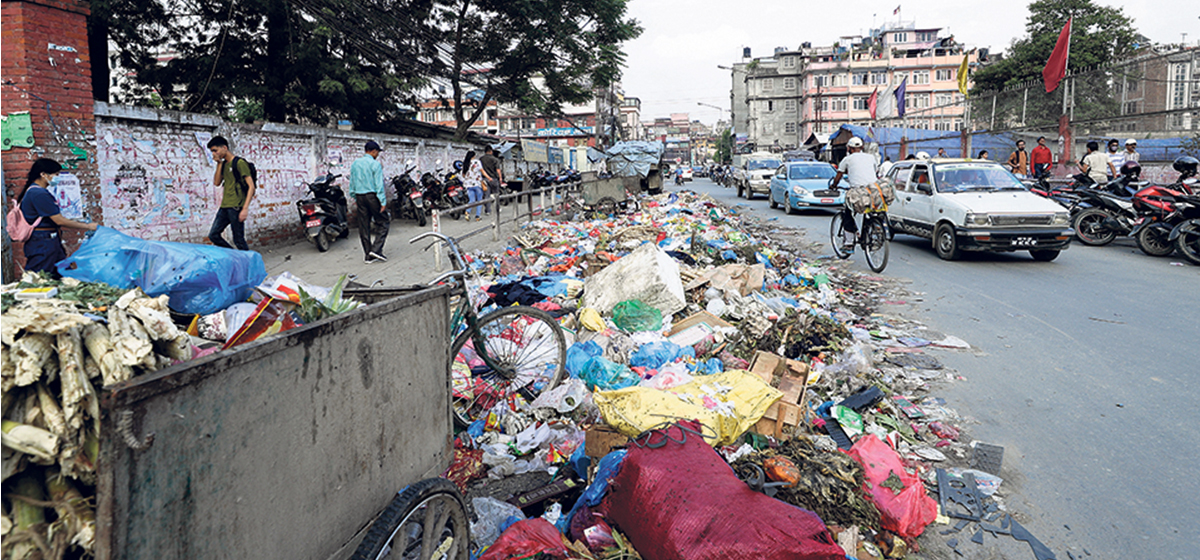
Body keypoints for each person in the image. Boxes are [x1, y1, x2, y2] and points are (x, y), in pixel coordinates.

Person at [17, 158, 98, 275]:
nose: (58, 177)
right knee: (39, 278)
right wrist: (88, 226)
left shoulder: (35, 191)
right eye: (56, 174)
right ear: (43, 174)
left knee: (62, 274)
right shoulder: (38, 194)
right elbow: (59, 220)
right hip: (43, 242)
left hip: (47, 240)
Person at [206, 136, 256, 250]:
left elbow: (251, 186)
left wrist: (245, 208)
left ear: (224, 148)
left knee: (238, 239)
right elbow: (217, 182)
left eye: (215, 150)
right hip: (225, 206)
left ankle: (248, 264)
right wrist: (219, 164)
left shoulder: (239, 163)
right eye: (212, 151)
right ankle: (235, 256)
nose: (214, 153)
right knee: (213, 235)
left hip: (236, 207)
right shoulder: (223, 165)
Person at [830, 137, 878, 250]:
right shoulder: (871, 158)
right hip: (874, 190)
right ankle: (876, 229)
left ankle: (849, 243)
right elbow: (874, 171)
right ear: (861, 147)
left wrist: (833, 185)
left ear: (849, 148)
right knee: (874, 211)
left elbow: (838, 176)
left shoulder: (847, 159)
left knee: (848, 213)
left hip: (858, 191)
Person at [348, 140, 389, 263]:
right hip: (372, 196)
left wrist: (354, 196)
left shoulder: (355, 163)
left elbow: (352, 182)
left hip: (360, 196)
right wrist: (382, 201)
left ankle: (368, 255)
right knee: (383, 222)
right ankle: (375, 250)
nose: (377, 155)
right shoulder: (375, 164)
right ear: (373, 151)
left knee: (364, 225)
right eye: (377, 152)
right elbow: (378, 184)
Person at [463, 150, 485, 221]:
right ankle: (477, 216)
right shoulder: (477, 162)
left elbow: (463, 175)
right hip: (477, 184)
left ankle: (467, 211)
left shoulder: (465, 163)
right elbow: (482, 171)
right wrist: (489, 178)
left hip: (468, 185)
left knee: (471, 200)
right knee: (479, 200)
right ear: (474, 156)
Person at [480, 146, 503, 214]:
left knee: (487, 195)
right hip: (494, 179)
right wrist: (500, 178)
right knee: (496, 194)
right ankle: (497, 208)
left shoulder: (481, 159)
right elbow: (498, 170)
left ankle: (488, 210)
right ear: (491, 151)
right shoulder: (495, 159)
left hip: (485, 179)